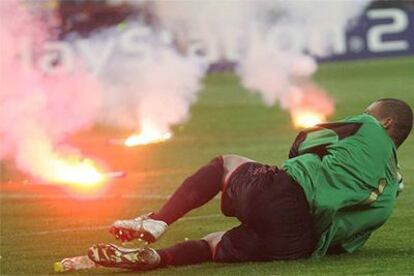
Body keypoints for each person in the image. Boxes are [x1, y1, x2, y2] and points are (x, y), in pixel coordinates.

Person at [88, 98, 413, 271]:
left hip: (286, 191)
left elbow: (307, 139)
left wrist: (297, 163)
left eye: (368, 112)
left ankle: (157, 221)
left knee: (225, 164)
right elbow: (344, 244)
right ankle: (158, 259)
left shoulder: (368, 128)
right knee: (213, 243)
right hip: (297, 245)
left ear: (385, 122)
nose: (362, 115)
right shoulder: (386, 201)